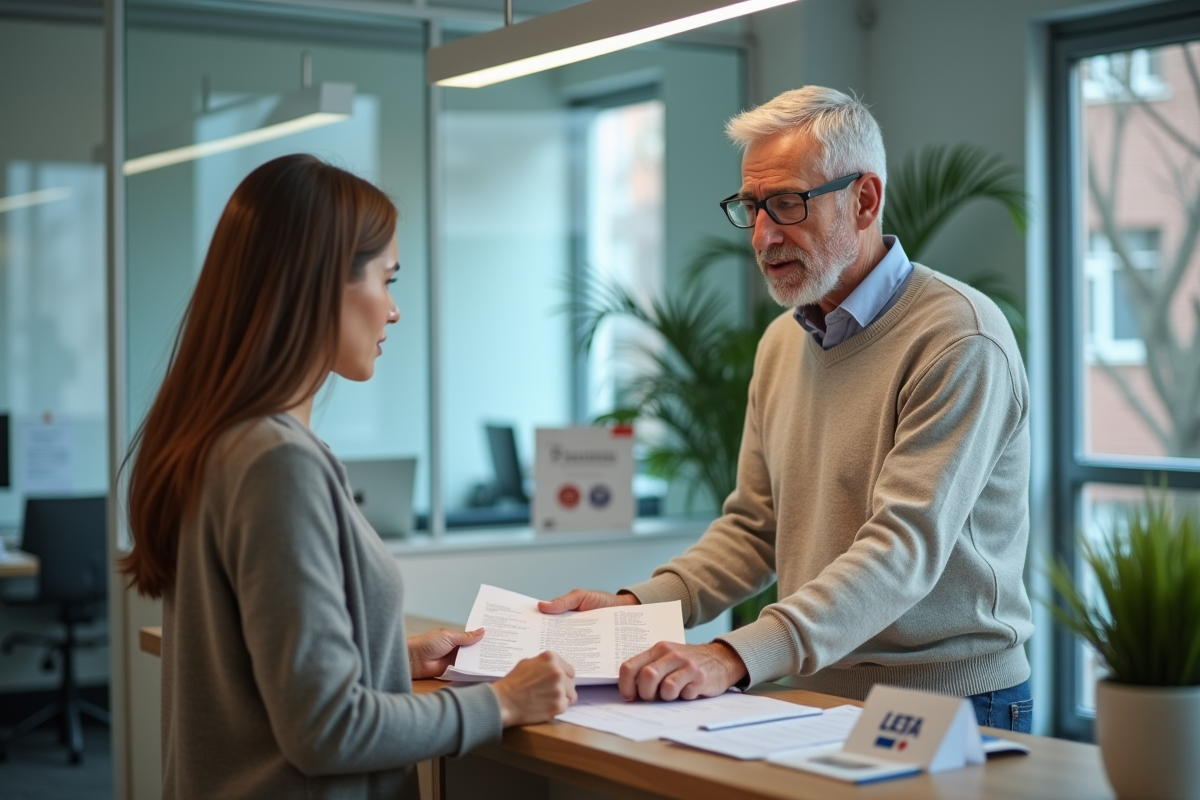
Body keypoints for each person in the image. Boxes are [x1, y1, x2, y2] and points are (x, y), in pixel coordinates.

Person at [540, 86, 1035, 732]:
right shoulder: (783, 343)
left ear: (864, 201)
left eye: (787, 204)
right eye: (752, 208)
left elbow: (901, 550)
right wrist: (634, 606)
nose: (765, 235)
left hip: (951, 700)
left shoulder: (959, 338)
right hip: (818, 691)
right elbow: (754, 529)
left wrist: (731, 655)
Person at [119, 154, 577, 799]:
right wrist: (502, 702)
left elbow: (269, 674)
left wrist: (392, 659)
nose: (392, 311)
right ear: (320, 282)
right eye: (386, 280)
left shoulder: (226, 441)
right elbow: (326, 729)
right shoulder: (276, 463)